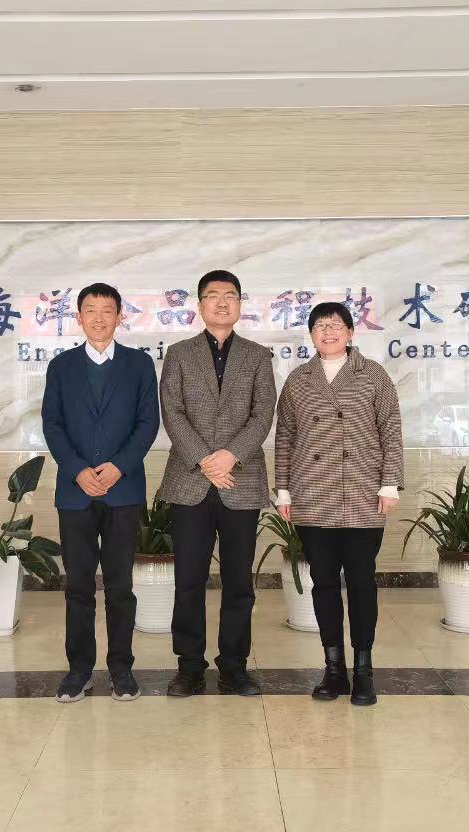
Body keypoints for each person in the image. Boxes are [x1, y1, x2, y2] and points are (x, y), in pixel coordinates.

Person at [274, 301, 403, 706]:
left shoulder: (373, 374)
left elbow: (391, 430)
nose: (327, 332)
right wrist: (283, 490)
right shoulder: (299, 379)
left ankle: (364, 670)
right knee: (324, 583)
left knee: (362, 582)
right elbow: (285, 436)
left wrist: (390, 484)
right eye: (320, 326)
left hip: (362, 493)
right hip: (313, 494)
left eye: (335, 325)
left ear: (350, 332)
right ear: (311, 335)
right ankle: (334, 669)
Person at [159, 270, 277, 697]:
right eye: (213, 296)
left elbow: (263, 414)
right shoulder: (179, 353)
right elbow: (172, 411)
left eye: (230, 296)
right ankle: (189, 667)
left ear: (240, 304)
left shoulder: (258, 356)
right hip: (190, 480)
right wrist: (205, 460)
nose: (222, 302)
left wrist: (230, 456)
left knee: (239, 583)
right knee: (188, 580)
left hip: (239, 481)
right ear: (200, 305)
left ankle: (234, 667)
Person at [41, 282, 159, 703]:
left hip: (122, 490)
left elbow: (147, 423)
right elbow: (52, 424)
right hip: (75, 493)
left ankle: (121, 668)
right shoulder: (61, 367)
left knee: (120, 585)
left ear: (119, 317)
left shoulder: (139, 365)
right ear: (78, 318)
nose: (98, 317)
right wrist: (77, 471)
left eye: (107, 310)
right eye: (90, 310)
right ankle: (79, 670)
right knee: (77, 585)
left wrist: (117, 466)